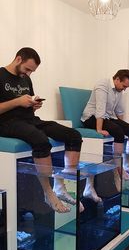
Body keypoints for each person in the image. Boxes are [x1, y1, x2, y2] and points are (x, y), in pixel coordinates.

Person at [0, 47, 84, 214]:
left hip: (29, 120)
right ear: (18, 59)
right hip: (6, 123)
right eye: (27, 69)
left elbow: (27, 105)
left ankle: (61, 186)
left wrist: (34, 105)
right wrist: (17, 102)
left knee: (74, 135)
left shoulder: (26, 79)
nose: (29, 74)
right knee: (40, 141)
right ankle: (48, 192)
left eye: (32, 71)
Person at [81, 69, 129, 183]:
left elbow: (119, 110)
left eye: (126, 87)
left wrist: (123, 125)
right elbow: (100, 108)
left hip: (107, 117)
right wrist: (99, 129)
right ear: (117, 79)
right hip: (91, 118)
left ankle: (126, 164)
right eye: (124, 86)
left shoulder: (119, 91)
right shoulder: (103, 85)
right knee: (118, 132)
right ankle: (118, 167)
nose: (124, 89)